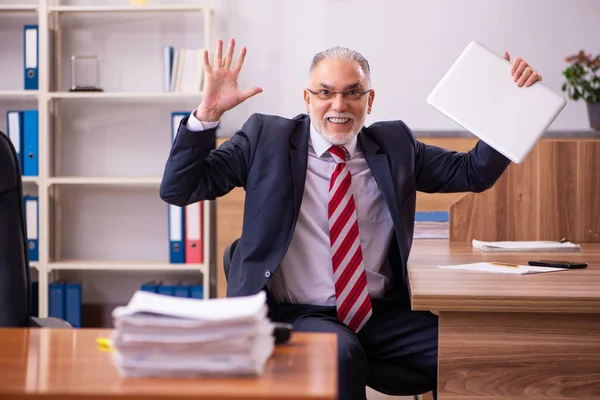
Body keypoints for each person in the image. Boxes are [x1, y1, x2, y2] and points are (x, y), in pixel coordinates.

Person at [160, 38, 542, 400]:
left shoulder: (396, 146)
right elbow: (180, 189)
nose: (338, 104)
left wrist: (510, 106)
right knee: (341, 357)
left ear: (369, 100)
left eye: (352, 92)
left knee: (480, 349)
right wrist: (206, 116)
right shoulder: (267, 138)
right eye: (325, 92)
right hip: (301, 314)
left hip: (378, 315)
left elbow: (472, 172)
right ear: (307, 98)